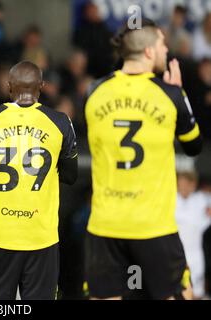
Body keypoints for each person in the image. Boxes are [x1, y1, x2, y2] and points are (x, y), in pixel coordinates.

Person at [84, 19, 203, 300]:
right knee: (180, 292)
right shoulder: (169, 95)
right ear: (149, 51)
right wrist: (180, 95)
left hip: (106, 223)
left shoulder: (94, 91)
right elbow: (194, 146)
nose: (166, 50)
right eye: (162, 44)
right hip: (153, 225)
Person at [0, 61, 78, 300]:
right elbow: (71, 176)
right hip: (41, 237)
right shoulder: (60, 121)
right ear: (42, 86)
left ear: (9, 87)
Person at [175, 171, 211, 299]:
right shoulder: (170, 199)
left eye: (186, 184)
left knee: (197, 293)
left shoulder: (202, 200)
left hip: (195, 255)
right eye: (180, 184)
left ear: (193, 184)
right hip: (176, 255)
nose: (183, 187)